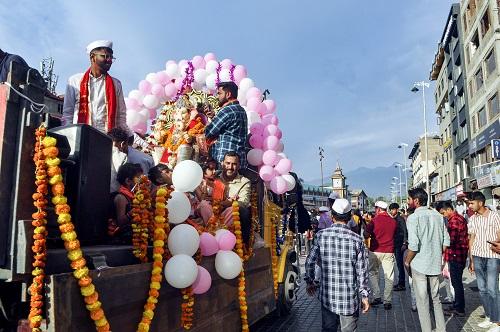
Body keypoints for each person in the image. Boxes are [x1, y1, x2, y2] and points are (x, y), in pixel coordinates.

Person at [62, 40, 146, 149]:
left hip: (107, 143)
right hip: (80, 141)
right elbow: (67, 115)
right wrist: (70, 140)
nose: (109, 60)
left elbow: (121, 120)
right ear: (92, 57)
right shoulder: (74, 81)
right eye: (105, 56)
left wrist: (144, 143)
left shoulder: (116, 84)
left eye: (111, 57)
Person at [305, 198, 370, 332]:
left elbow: (310, 262)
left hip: (327, 298)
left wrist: (310, 281)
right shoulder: (357, 240)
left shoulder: (321, 235)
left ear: (332, 217)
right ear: (350, 217)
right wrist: (364, 296)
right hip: (349, 300)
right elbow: (362, 271)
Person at [405, 188, 449, 332]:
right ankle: (441, 329)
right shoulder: (437, 215)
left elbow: (413, 245)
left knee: (422, 301)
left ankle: (427, 330)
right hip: (435, 264)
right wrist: (436, 253)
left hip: (419, 264)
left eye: (409, 199)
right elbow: (446, 241)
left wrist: (407, 261)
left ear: (416, 201)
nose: (407, 202)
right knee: (436, 299)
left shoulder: (412, 218)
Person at [467, 191, 500, 331]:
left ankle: (497, 321)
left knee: (492, 289)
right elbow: (471, 239)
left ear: (480, 202)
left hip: (492, 256)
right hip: (478, 255)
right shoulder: (473, 218)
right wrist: (471, 259)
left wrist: (497, 243)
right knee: (482, 289)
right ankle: (489, 316)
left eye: (472, 203)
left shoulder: (494, 216)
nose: (470, 206)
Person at [435, 200, 468, 317]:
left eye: (443, 213)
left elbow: (451, 240)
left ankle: (459, 308)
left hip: (456, 255)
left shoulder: (454, 221)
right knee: (455, 282)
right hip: (457, 255)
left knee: (456, 283)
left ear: (449, 209)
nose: (443, 215)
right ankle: (457, 304)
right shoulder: (458, 218)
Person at [205, 81, 248, 169]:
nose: (217, 97)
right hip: (239, 162)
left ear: (228, 94)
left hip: (225, 163)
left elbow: (208, 132)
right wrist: (213, 117)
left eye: (219, 94)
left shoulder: (227, 110)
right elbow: (229, 131)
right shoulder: (241, 110)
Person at [364, 201, 396, 310]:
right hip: (389, 251)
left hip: (375, 251)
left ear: (378, 209)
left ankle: (377, 296)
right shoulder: (393, 221)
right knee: (389, 276)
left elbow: (366, 234)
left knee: (373, 272)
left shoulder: (373, 221)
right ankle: (387, 301)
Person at [107, 163, 143, 244]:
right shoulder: (121, 197)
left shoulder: (134, 196)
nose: (141, 181)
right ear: (128, 181)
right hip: (119, 239)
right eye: (138, 178)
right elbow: (120, 222)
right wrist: (132, 212)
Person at [388, 202, 408, 291]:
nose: (392, 211)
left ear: (397, 209)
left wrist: (404, 242)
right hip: (396, 244)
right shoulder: (394, 218)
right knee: (398, 264)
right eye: (391, 209)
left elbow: (404, 231)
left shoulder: (400, 219)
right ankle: (400, 282)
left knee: (400, 264)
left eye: (393, 209)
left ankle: (402, 284)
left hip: (400, 244)